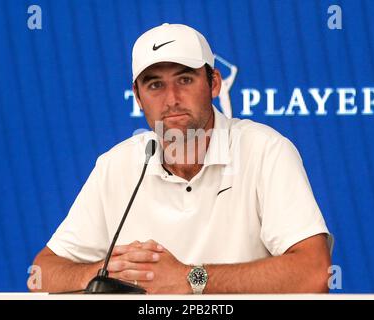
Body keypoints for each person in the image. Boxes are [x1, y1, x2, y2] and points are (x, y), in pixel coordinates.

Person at [30, 23, 331, 294]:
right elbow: (41, 273)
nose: (171, 98)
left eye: (184, 79)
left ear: (214, 83)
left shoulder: (265, 150)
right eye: (155, 84)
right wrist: (102, 273)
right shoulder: (116, 165)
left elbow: (314, 273)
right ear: (137, 95)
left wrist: (191, 278)